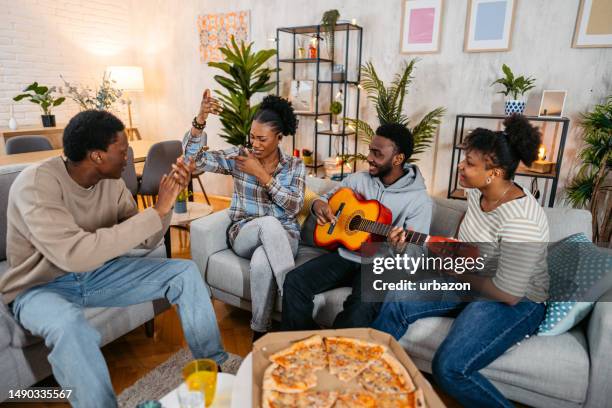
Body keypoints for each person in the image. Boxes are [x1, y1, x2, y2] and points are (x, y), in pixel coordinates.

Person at [0, 110, 236, 408]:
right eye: (122, 151)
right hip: (38, 288)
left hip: (95, 275)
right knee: (70, 324)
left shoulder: (111, 183)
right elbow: (74, 254)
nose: (128, 156)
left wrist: (163, 209)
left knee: (184, 272)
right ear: (97, 156)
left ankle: (215, 368)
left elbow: (146, 238)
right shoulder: (36, 184)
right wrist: (155, 212)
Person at [372, 115, 550, 408]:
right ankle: (370, 376)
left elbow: (508, 293)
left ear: (493, 172)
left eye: (469, 163)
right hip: (474, 279)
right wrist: (443, 251)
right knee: (397, 297)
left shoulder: (523, 219)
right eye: (463, 159)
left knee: (449, 368)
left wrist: (453, 268)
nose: (460, 166)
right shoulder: (476, 194)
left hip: (517, 302)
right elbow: (464, 243)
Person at [281, 122, 433, 330]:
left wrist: (401, 249)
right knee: (294, 281)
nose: (369, 157)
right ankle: (302, 346)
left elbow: (415, 256)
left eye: (377, 153)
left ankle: (338, 356)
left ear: (398, 159)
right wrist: (319, 205)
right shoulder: (358, 179)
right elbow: (326, 198)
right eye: (370, 150)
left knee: (360, 310)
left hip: (380, 265)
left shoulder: (419, 201)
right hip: (346, 255)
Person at [183, 91, 305, 341]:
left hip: (285, 237)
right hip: (245, 235)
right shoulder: (240, 157)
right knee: (269, 224)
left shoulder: (294, 166)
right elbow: (193, 161)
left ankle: (259, 331)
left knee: (262, 262)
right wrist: (200, 119)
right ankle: (294, 306)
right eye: (252, 137)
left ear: (279, 137)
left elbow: (293, 207)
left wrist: (261, 174)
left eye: (262, 139)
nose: (255, 144)